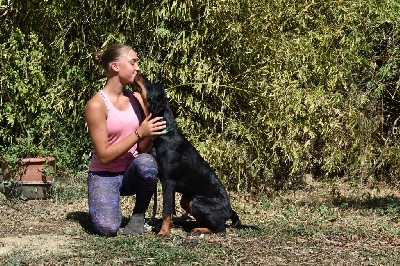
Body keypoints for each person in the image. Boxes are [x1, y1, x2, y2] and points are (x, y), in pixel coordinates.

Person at [85, 44, 166, 237]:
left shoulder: (137, 98)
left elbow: (142, 148)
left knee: (147, 163)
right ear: (115, 66)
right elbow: (104, 156)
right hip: (104, 174)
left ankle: (138, 215)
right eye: (133, 62)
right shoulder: (96, 105)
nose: (138, 68)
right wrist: (139, 133)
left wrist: (149, 135)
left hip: (131, 173)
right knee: (108, 228)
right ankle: (104, 201)